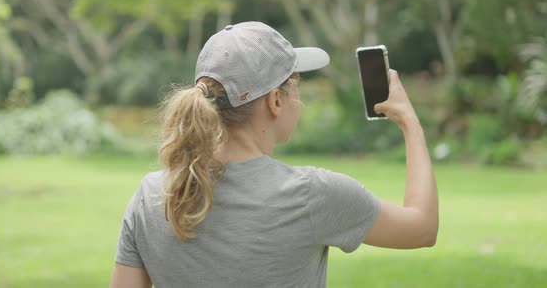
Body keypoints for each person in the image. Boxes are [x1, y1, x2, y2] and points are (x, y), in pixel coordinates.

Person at [109, 22, 438, 288]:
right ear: (276, 100)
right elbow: (422, 227)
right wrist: (410, 122)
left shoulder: (152, 196)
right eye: (295, 84)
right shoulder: (311, 194)